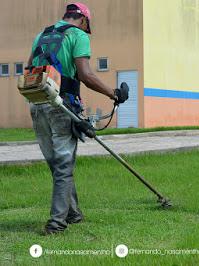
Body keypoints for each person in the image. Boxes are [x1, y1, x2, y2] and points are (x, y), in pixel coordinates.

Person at [27, 2, 127, 234]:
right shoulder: (78, 35)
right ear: (83, 20)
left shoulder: (42, 34)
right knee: (63, 166)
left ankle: (73, 213)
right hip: (61, 106)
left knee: (57, 164)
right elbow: (86, 74)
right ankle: (56, 224)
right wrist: (113, 93)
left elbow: (29, 66)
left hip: (36, 103)